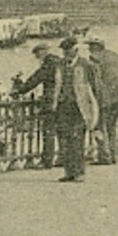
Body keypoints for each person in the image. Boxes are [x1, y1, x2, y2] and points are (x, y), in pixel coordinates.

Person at [50, 36, 98, 183]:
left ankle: (79, 172)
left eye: (68, 50)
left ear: (75, 50)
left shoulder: (85, 65)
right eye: (64, 51)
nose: (65, 53)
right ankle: (69, 171)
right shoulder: (60, 65)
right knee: (64, 140)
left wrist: (93, 108)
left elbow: (94, 86)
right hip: (63, 106)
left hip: (79, 107)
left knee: (77, 140)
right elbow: (56, 85)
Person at [12, 43, 61, 168]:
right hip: (63, 101)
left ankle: (47, 161)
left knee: (48, 132)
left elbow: (36, 78)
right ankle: (62, 157)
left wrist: (20, 89)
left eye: (37, 54)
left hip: (51, 102)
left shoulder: (48, 63)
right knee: (62, 131)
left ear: (44, 51)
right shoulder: (59, 61)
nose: (36, 57)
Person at [86, 36, 118, 165]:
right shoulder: (116, 56)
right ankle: (113, 154)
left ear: (96, 47)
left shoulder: (95, 59)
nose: (89, 49)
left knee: (100, 127)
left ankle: (104, 156)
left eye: (90, 46)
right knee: (112, 127)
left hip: (106, 98)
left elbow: (96, 81)